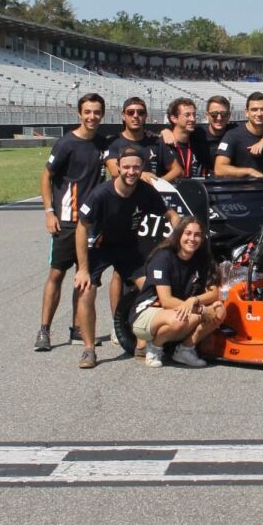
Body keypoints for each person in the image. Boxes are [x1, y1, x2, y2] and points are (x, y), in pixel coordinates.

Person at [73, 147, 179, 369]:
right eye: (127, 167)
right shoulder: (100, 194)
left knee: (153, 289)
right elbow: (82, 228)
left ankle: (143, 340)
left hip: (129, 248)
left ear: (142, 169)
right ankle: (89, 349)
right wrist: (82, 268)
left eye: (136, 167)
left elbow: (170, 213)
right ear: (118, 167)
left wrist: (179, 236)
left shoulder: (146, 191)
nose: (131, 171)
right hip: (99, 247)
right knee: (85, 289)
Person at [35, 93, 107, 352]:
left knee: (85, 278)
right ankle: (44, 330)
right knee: (57, 274)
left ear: (103, 114)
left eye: (97, 112)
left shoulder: (102, 143)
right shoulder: (66, 143)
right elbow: (46, 177)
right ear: (79, 114)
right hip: (66, 221)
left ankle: (78, 328)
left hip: (91, 224)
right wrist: (48, 212)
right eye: (87, 112)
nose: (92, 116)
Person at [129, 216, 225, 369]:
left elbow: (214, 293)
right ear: (179, 234)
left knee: (219, 310)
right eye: (187, 233)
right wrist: (201, 309)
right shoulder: (163, 257)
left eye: (197, 235)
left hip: (181, 310)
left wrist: (194, 301)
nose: (192, 239)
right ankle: (154, 347)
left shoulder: (202, 259)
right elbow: (166, 301)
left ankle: (185, 350)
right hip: (148, 312)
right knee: (180, 319)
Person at [104, 97, 182, 183]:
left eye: (140, 112)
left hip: (152, 194)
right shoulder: (113, 142)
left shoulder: (157, 141)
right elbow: (115, 171)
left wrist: (158, 183)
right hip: (125, 195)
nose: (136, 116)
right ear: (123, 116)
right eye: (130, 112)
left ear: (146, 116)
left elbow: (177, 170)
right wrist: (142, 175)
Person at [213, 92, 263, 179]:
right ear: (246, 112)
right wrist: (249, 171)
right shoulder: (233, 136)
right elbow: (219, 169)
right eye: (254, 109)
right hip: (242, 191)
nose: (259, 114)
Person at [163, 97, 211, 179]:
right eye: (187, 115)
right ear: (174, 118)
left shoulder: (199, 144)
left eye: (194, 115)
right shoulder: (163, 144)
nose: (192, 119)